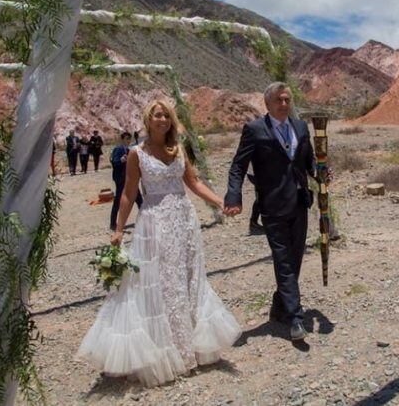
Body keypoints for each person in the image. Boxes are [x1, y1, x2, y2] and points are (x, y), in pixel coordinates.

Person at [77, 100, 241, 385]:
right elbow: (128, 193)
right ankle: (165, 352)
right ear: (148, 119)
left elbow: (193, 183)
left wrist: (219, 201)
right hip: (154, 223)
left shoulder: (178, 150)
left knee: (187, 279)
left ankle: (191, 348)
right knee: (160, 283)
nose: (162, 119)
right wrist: (118, 229)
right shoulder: (136, 154)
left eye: (167, 115)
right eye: (157, 115)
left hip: (184, 221)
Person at [224, 82, 316, 341]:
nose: (284, 104)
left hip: (299, 202)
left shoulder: (300, 127)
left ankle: (279, 305)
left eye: (287, 99)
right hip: (273, 206)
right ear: (268, 103)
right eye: (279, 100)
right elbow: (237, 166)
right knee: (283, 259)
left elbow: (307, 161)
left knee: (295, 258)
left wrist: (320, 171)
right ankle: (295, 318)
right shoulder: (255, 130)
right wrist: (234, 195)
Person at [109, 132, 142, 231]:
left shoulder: (127, 149)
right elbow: (114, 162)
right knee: (118, 200)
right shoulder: (119, 149)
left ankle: (145, 219)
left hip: (129, 178)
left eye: (129, 138)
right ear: (122, 139)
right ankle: (113, 223)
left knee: (139, 199)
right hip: (121, 179)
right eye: (127, 138)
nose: (128, 140)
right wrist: (121, 160)